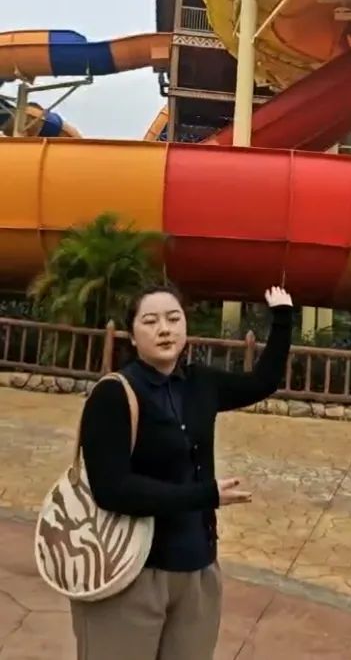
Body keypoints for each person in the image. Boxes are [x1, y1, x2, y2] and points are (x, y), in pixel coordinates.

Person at [71, 282, 293, 660]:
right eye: (151, 321)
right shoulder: (114, 394)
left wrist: (284, 317)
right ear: (132, 335)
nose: (164, 329)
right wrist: (204, 494)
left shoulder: (201, 384)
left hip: (196, 570)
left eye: (174, 319)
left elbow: (262, 382)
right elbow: (112, 488)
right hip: (129, 571)